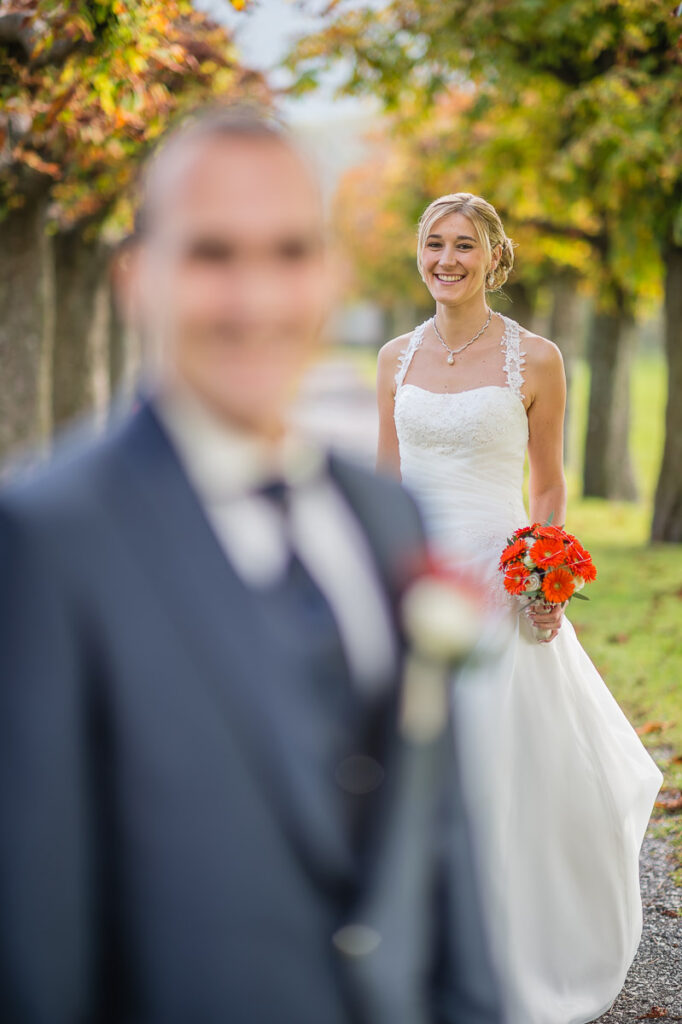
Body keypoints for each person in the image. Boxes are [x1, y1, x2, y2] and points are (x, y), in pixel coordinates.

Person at [0, 112, 504, 1024]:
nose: (254, 299)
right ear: (135, 280)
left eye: (288, 253)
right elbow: (36, 939)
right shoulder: (46, 542)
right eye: (211, 256)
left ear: (331, 279)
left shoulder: (386, 517)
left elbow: (439, 859)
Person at [376, 192, 663, 1024]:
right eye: (435, 244)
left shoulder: (535, 360)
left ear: (494, 257)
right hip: (422, 586)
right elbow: (384, 480)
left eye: (466, 245)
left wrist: (547, 575)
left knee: (503, 766)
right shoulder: (394, 358)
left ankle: (514, 951)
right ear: (419, 253)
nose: (448, 260)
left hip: (502, 584)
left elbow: (546, 481)